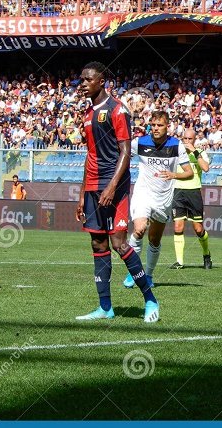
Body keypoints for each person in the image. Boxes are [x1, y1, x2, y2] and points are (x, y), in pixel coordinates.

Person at [75, 61, 159, 323]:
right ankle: (105, 307)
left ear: (102, 81)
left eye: (88, 79)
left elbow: (125, 152)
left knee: (119, 243)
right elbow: (90, 156)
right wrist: (82, 194)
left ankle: (150, 301)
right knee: (97, 243)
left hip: (115, 187)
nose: (83, 84)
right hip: (92, 187)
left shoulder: (117, 110)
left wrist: (112, 185)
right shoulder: (89, 114)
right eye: (82, 80)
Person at [122, 111, 193, 291]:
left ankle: (149, 275)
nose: (155, 128)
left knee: (154, 239)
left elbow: (189, 172)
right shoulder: (140, 142)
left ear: (167, 126)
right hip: (143, 193)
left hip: (163, 198)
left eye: (159, 125)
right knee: (139, 230)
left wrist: (173, 174)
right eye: (153, 125)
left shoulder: (177, 146)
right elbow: (123, 156)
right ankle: (133, 271)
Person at [171, 129, 213, 270]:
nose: (187, 141)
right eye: (185, 139)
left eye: (190, 139)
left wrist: (194, 151)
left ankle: (206, 254)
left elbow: (205, 168)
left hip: (194, 192)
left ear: (195, 140)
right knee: (178, 226)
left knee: (198, 229)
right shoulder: (176, 152)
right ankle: (179, 262)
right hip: (178, 191)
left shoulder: (200, 152)